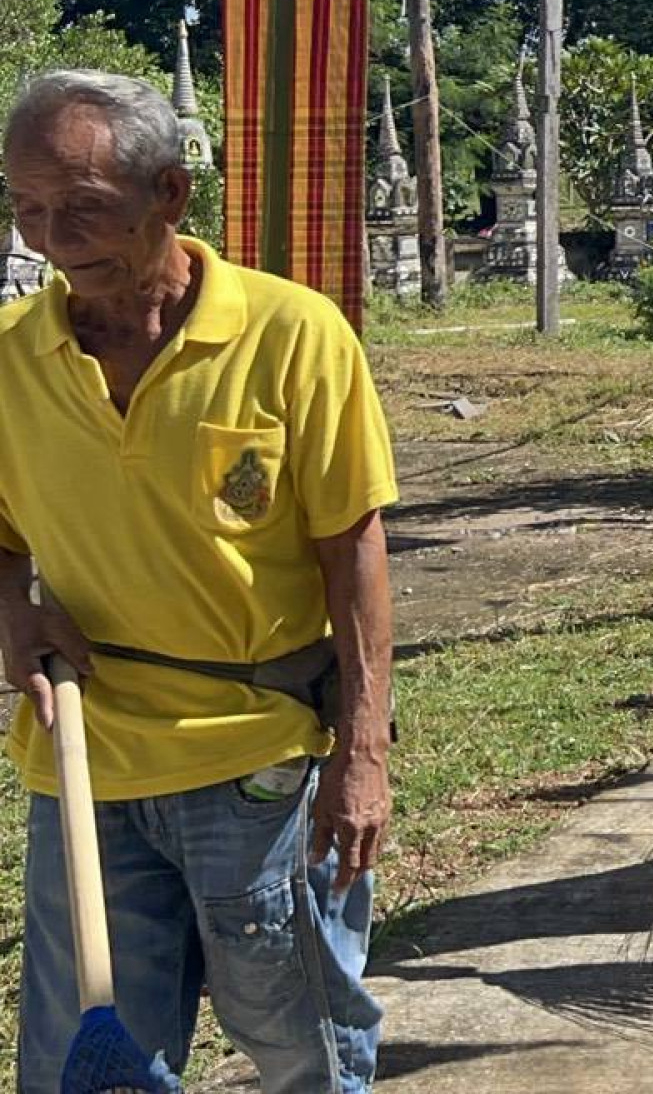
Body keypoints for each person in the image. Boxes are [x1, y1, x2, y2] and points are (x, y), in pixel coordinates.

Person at [0, 70, 396, 1091]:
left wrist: (362, 751)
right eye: (29, 210)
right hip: (87, 764)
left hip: (258, 762)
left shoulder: (291, 334)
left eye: (83, 208)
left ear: (171, 193)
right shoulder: (12, 358)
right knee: (79, 1067)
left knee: (300, 1040)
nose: (54, 238)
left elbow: (352, 551)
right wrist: (13, 606)